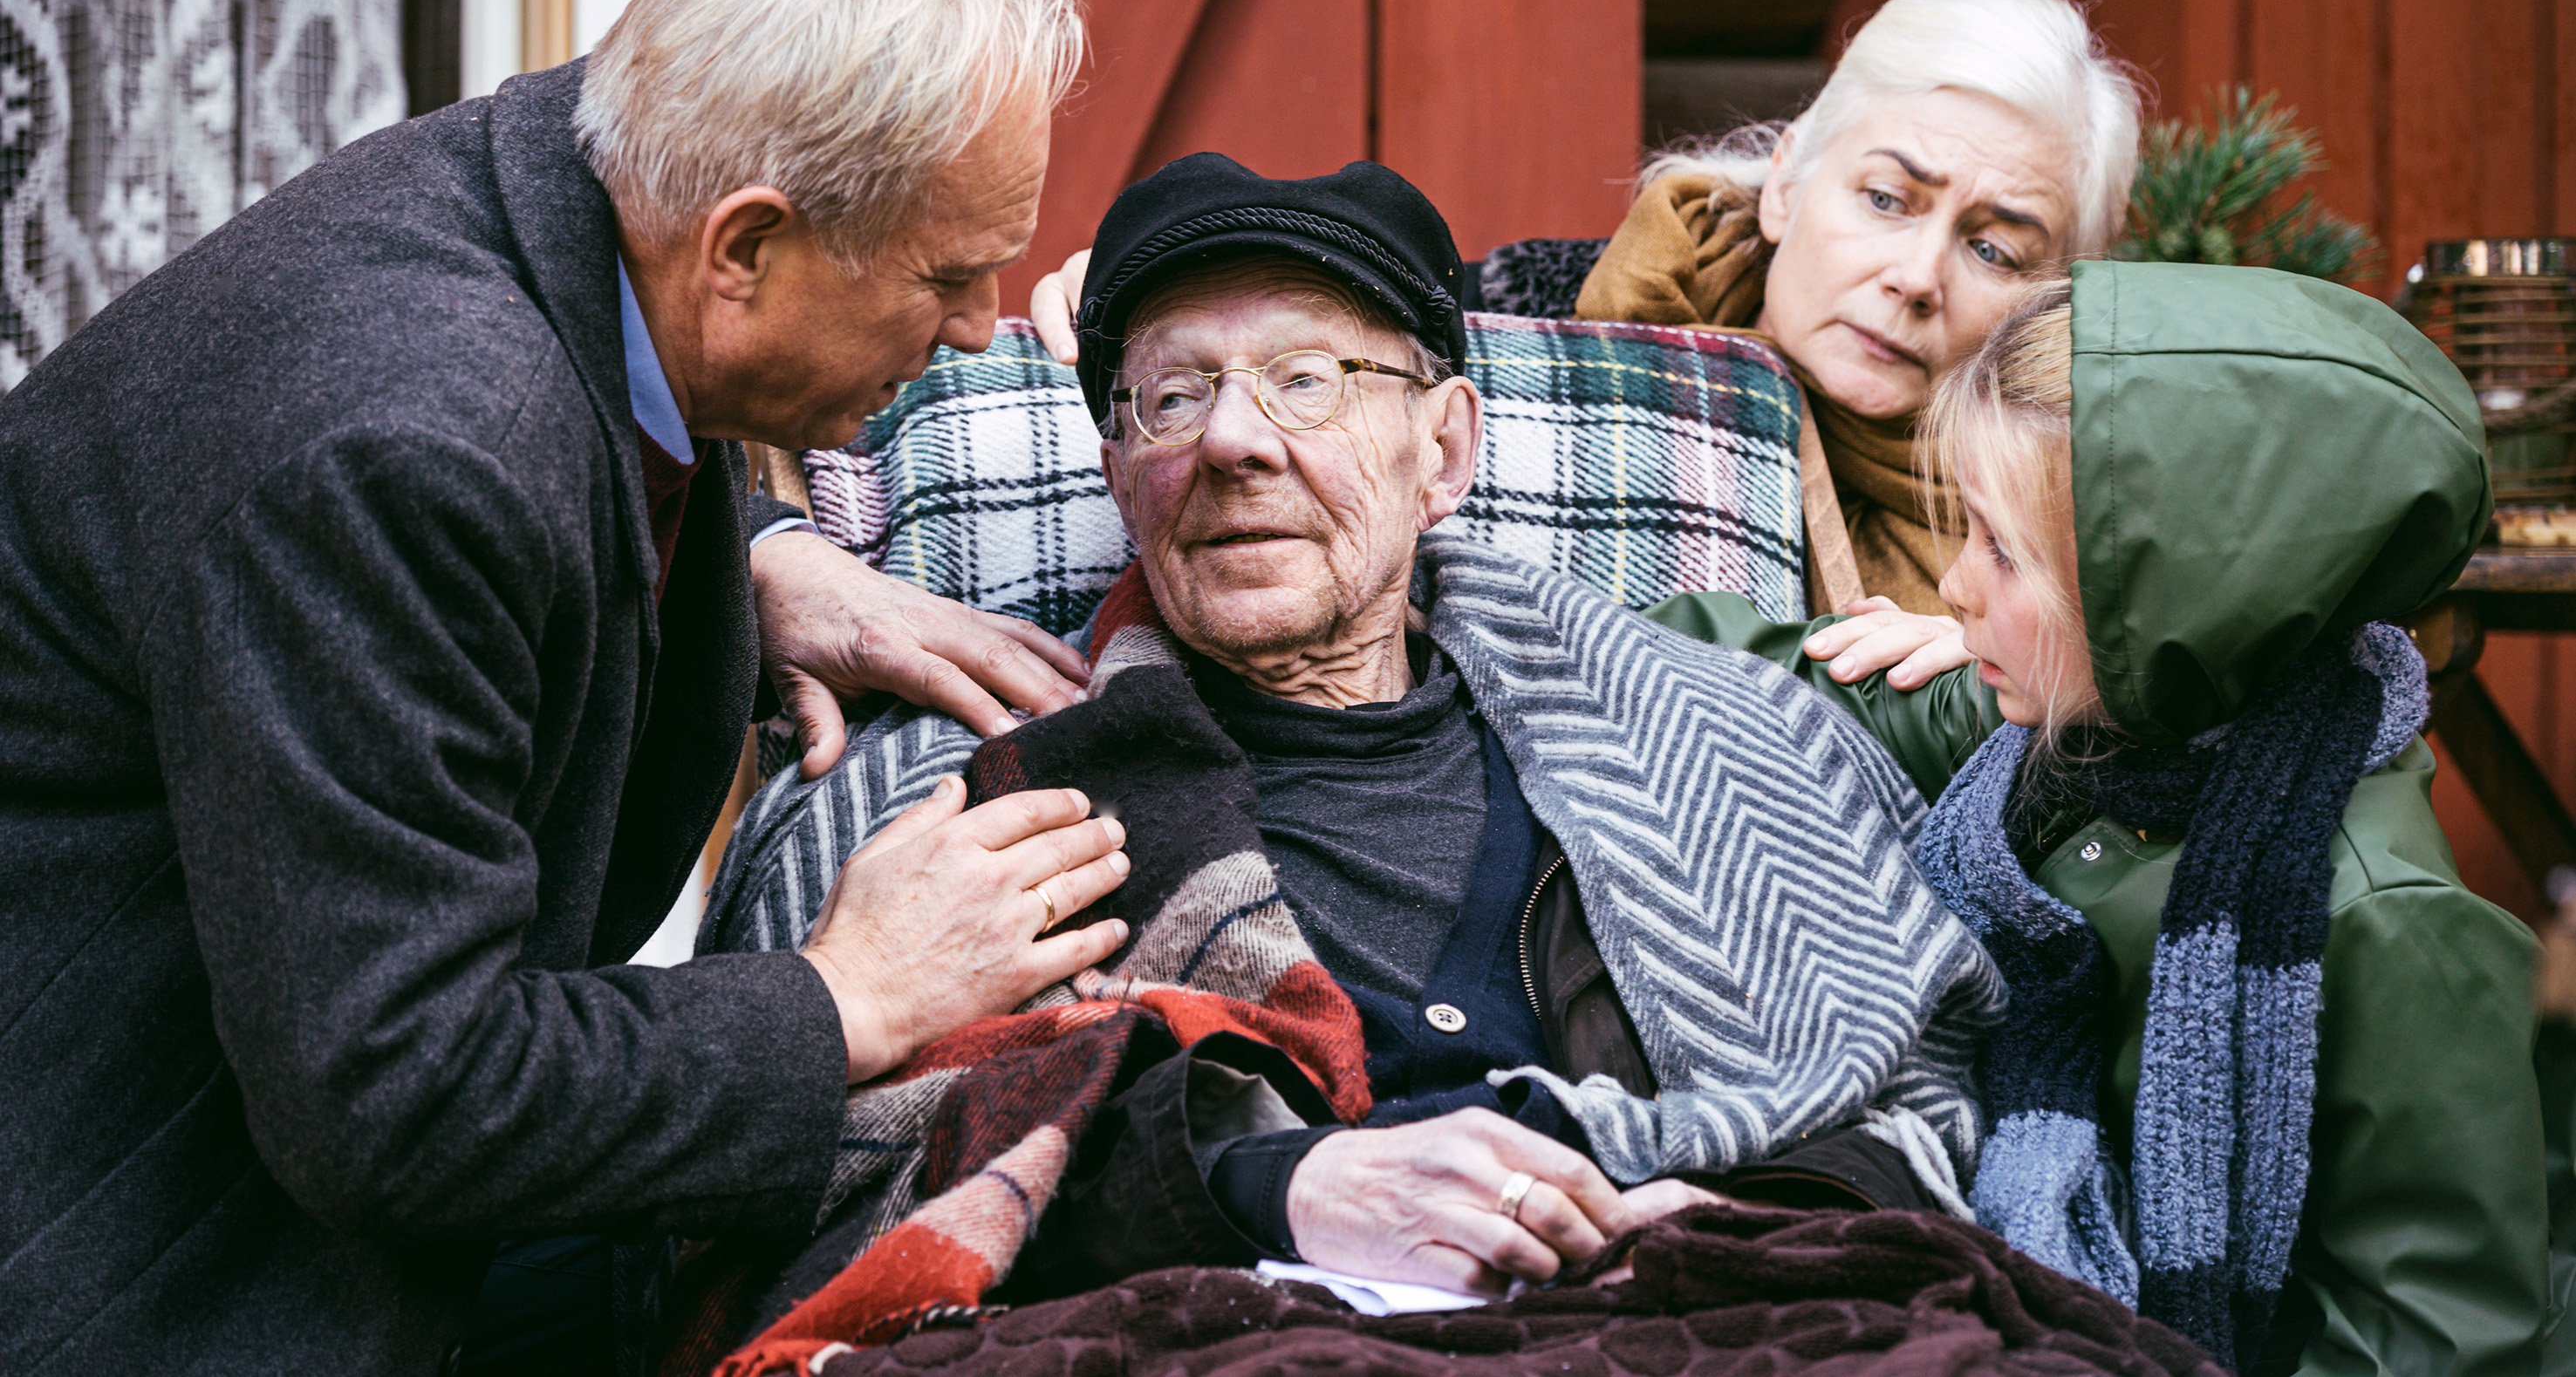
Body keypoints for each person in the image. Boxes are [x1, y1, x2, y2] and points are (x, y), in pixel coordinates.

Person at [0, 0, 1138, 1373]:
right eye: (943, 272)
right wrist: (837, 994)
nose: (983, 324)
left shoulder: (586, 197)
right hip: (118, 1258)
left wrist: (763, 555)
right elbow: (396, 1097)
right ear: (744, 250)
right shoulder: (405, 444)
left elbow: (590, 419)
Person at [703, 153, 2003, 1317]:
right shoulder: (953, 807)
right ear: (1117, 476)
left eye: (1305, 382)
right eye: (1170, 396)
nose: (1229, 439)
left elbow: (1917, 1091)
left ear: (1441, 451)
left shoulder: (1723, 737)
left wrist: (1737, 1217)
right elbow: (809, 1178)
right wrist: (1268, 1180)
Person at [1664, 264, 2547, 1374]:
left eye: (2000, 550)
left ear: (2164, 598)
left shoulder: (2385, 919)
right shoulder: (2065, 735)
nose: (1953, 585)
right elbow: (1771, 682)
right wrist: (1488, 605)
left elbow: (2442, 1337)